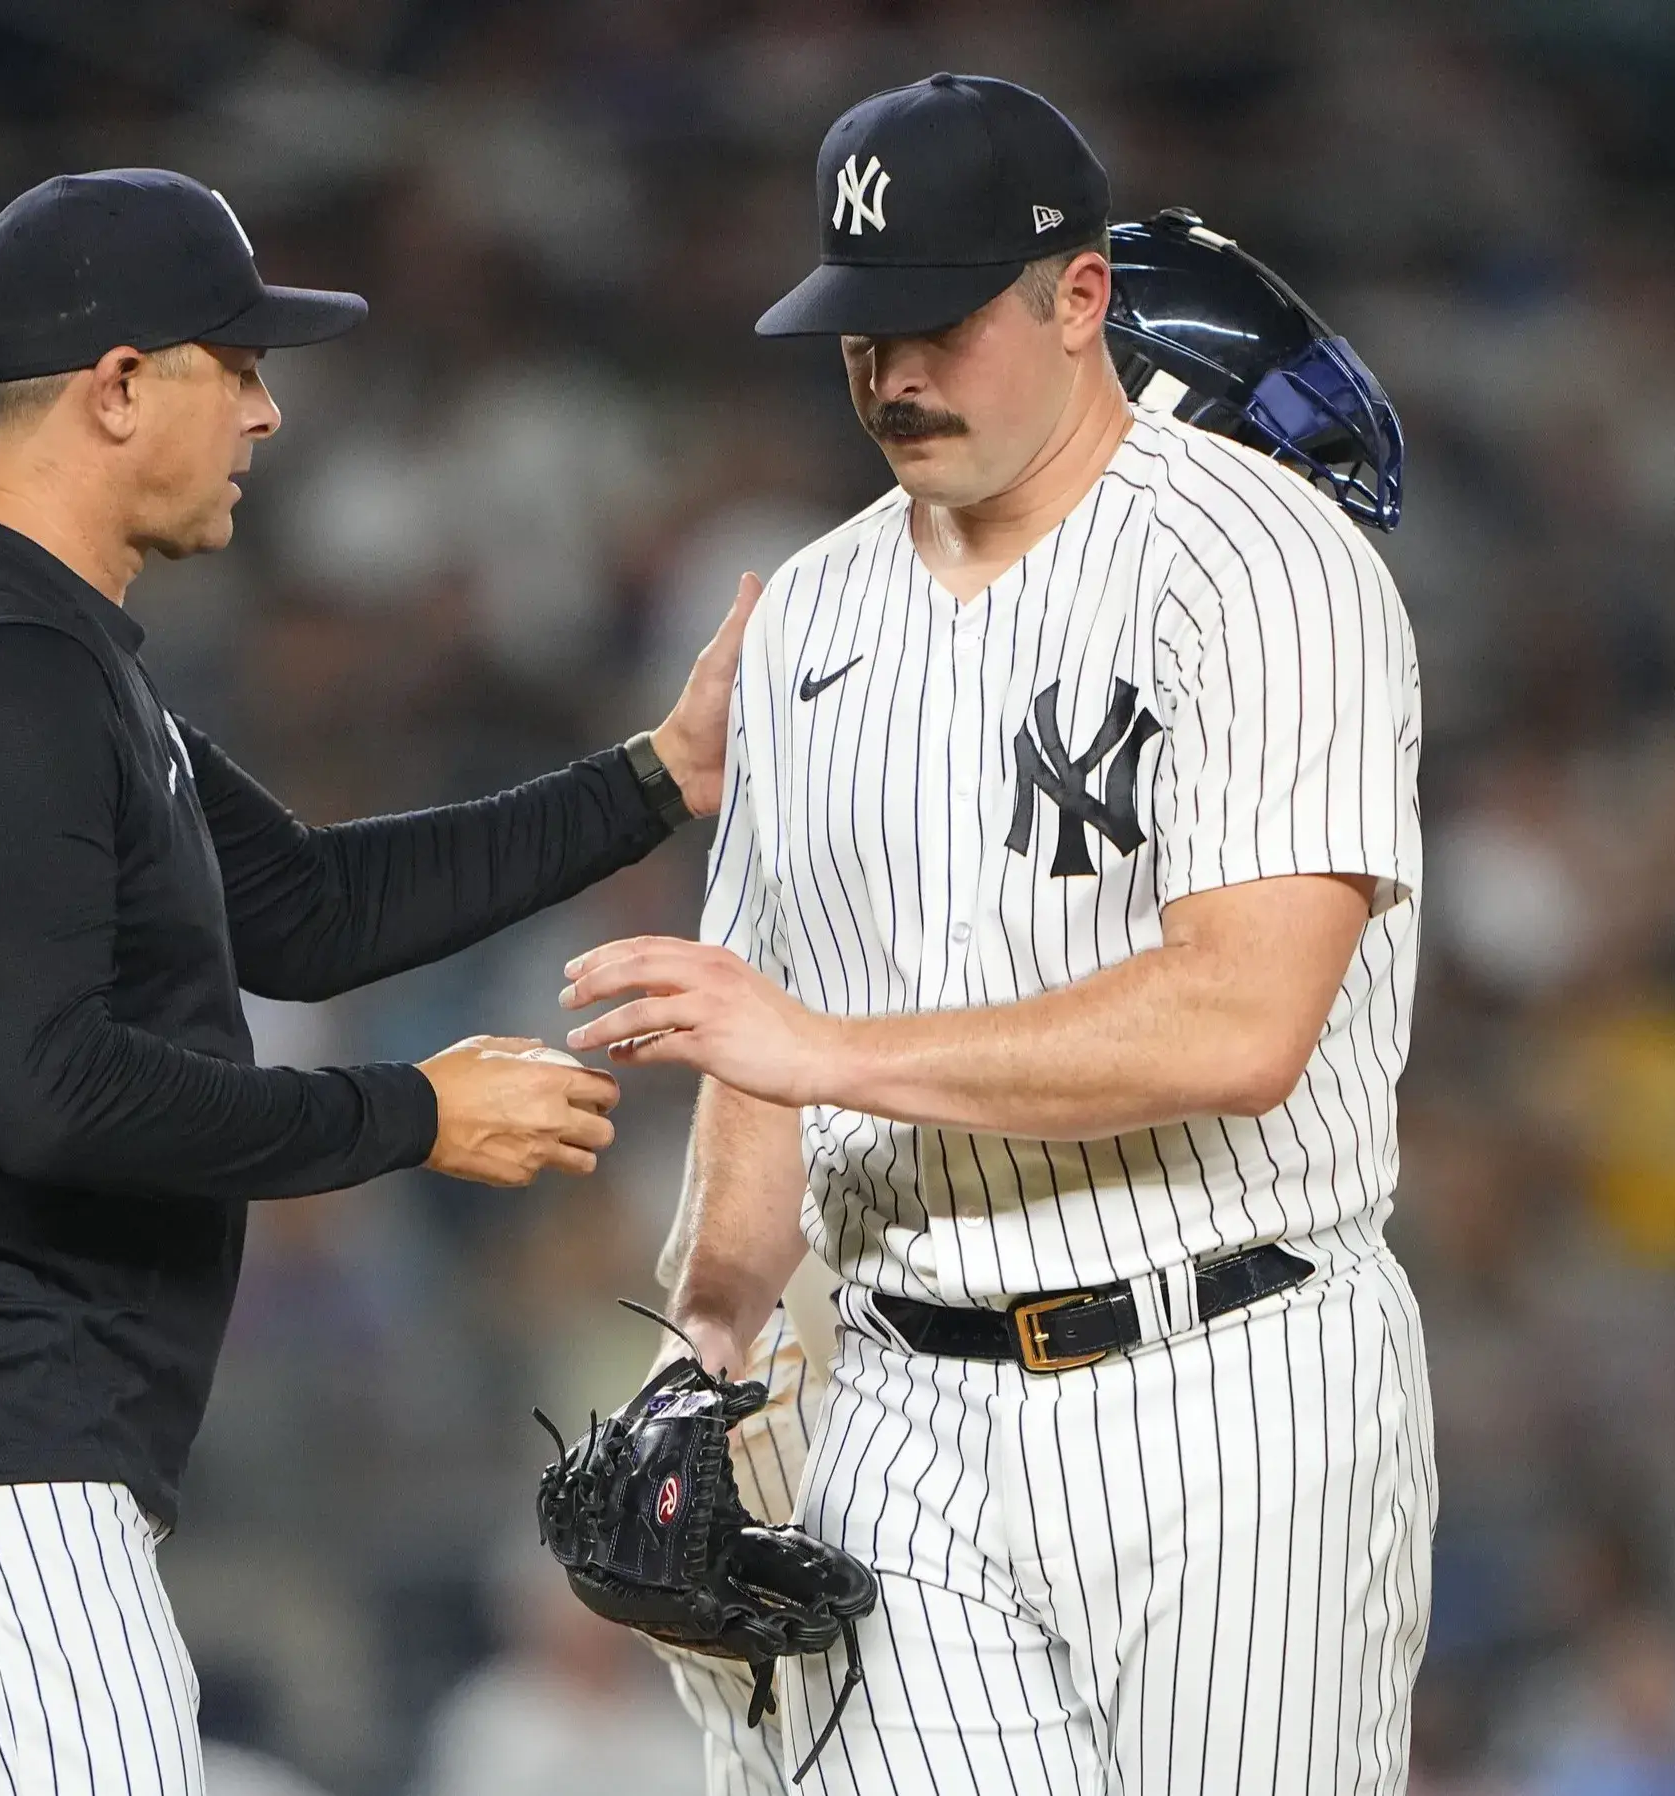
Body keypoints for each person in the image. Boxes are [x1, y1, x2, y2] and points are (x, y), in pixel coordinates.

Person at [0, 168, 756, 1796]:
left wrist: (655, 778)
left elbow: (305, 910)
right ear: (121, 387)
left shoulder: (41, 649)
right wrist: (407, 1114)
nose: (268, 413)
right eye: (238, 364)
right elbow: (46, 1091)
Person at [562, 75, 1433, 1791]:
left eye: (939, 325)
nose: (892, 372)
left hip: (1231, 1389)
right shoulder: (807, 609)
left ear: (1080, 297)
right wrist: (707, 1345)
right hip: (902, 1399)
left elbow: (1242, 1024)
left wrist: (828, 1055)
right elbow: (758, 1030)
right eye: (859, 331)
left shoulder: (1264, 563)